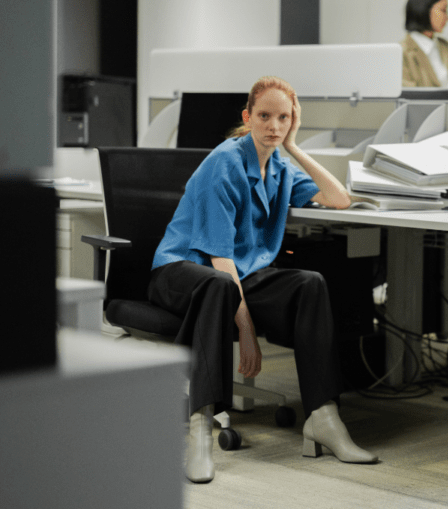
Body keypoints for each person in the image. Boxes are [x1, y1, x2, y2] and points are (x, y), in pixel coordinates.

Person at [149, 76, 378, 484]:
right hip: (181, 270)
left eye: (284, 118)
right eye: (265, 116)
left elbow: (338, 198)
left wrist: (292, 146)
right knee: (218, 286)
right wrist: (248, 331)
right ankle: (200, 427)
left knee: (310, 282)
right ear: (247, 117)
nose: (274, 125)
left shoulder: (280, 167)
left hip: (239, 275)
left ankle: (324, 417)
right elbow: (219, 258)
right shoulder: (224, 163)